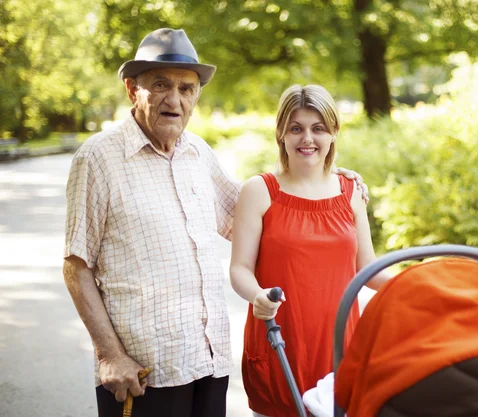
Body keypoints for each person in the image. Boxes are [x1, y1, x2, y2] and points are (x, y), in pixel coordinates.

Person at [63, 28, 368, 417]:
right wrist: (109, 356)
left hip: (208, 362)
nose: (175, 99)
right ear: (131, 89)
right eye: (161, 85)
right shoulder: (98, 159)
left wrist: (327, 177)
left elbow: (269, 216)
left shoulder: (197, 154)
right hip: (144, 368)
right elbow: (76, 264)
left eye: (187, 89)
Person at [229, 84, 391, 417]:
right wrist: (258, 295)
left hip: (339, 345)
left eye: (318, 129)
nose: (307, 138)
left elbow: (368, 267)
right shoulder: (259, 191)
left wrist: (418, 285)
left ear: (333, 134)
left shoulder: (351, 192)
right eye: (296, 128)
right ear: (281, 134)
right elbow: (239, 268)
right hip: (280, 342)